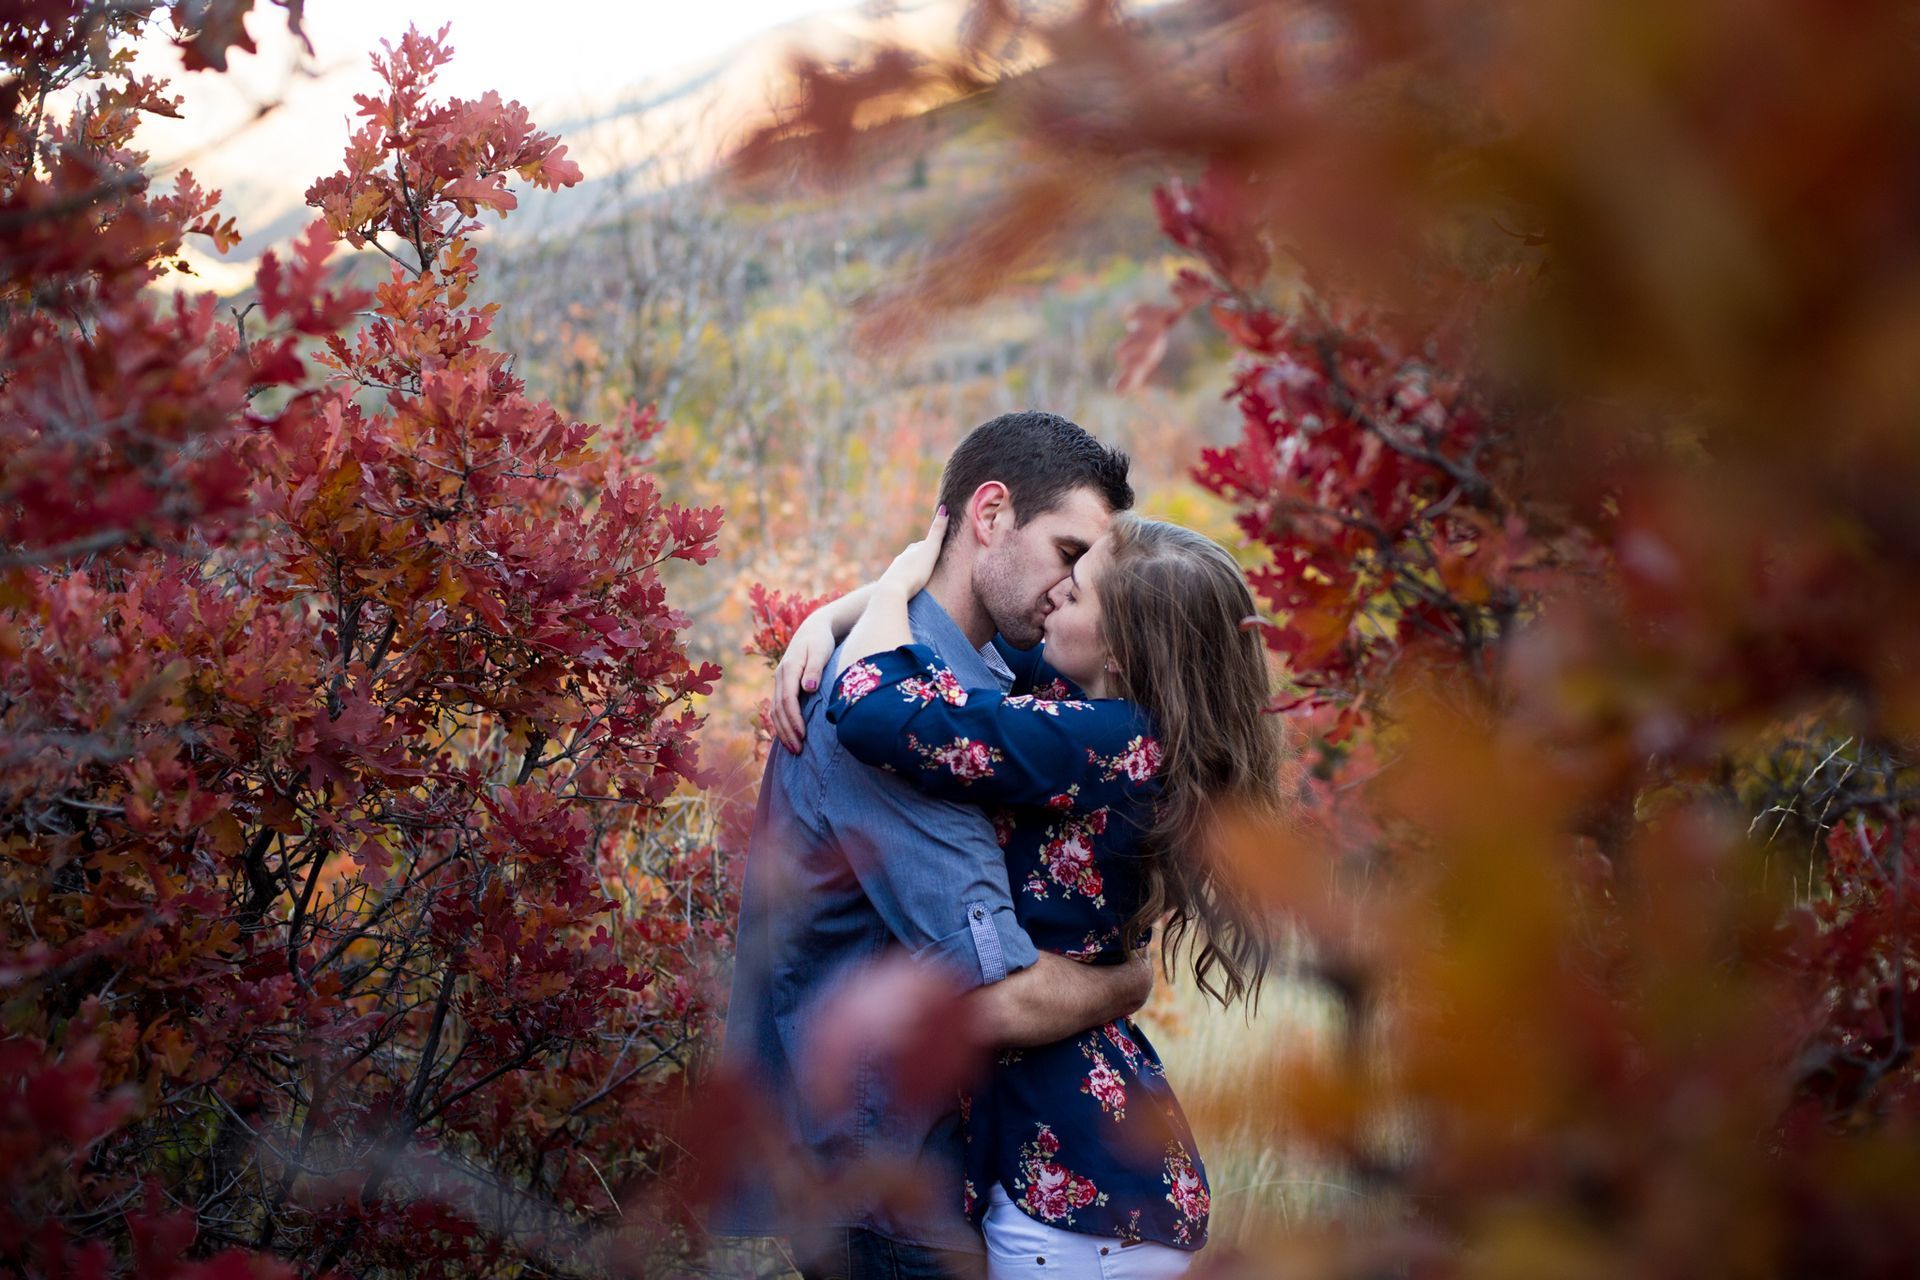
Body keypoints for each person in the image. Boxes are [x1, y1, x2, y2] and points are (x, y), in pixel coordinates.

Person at [716, 412, 1153, 1280]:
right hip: (882, 1184)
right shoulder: (889, 718)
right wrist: (1130, 979)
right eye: (1069, 554)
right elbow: (995, 992)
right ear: (989, 515)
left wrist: (863, 595)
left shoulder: (976, 675)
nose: (1070, 589)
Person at [795, 507, 1286, 1278]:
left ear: (1122, 649)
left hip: (1080, 1204)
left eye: (1079, 591)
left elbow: (875, 707)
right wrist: (829, 615)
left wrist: (893, 585)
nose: (1055, 593)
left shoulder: (1102, 740)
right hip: (1091, 1175)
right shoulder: (1101, 720)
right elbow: (966, 642)